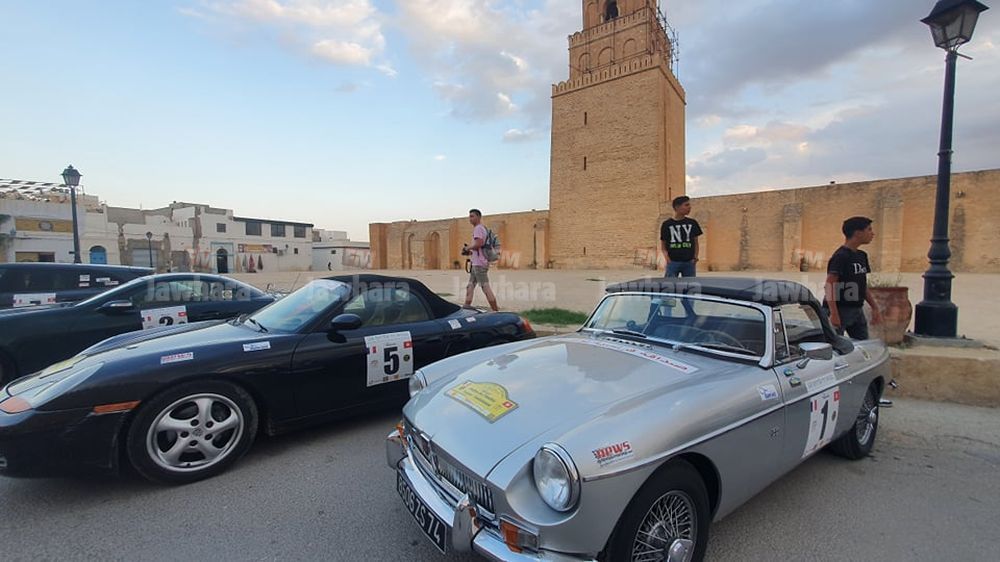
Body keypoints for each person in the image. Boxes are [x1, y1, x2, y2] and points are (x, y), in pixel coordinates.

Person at [823, 216, 883, 340]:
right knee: (834, 344)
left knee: (863, 344)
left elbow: (862, 285)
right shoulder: (840, 256)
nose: (872, 234)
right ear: (857, 233)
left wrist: (874, 307)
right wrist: (834, 313)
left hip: (856, 310)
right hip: (840, 308)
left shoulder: (862, 256)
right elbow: (829, 285)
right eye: (869, 229)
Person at [463, 209, 499, 311]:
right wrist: (471, 251)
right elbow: (479, 246)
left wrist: (467, 248)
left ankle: (495, 310)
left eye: (472, 216)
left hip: (479, 264)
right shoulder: (482, 228)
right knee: (470, 285)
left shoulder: (478, 228)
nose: (470, 218)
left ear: (478, 217)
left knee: (485, 287)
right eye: (469, 216)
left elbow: (479, 243)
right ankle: (466, 306)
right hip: (476, 263)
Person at [660, 196, 703, 277]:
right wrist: (667, 258)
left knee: (690, 284)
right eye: (686, 205)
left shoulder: (692, 223)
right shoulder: (667, 224)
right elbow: (663, 244)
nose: (689, 207)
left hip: (689, 263)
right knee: (670, 284)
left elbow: (695, 242)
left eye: (689, 205)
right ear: (677, 207)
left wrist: (695, 258)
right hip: (673, 262)